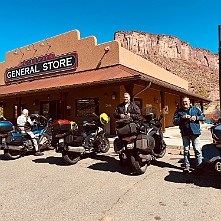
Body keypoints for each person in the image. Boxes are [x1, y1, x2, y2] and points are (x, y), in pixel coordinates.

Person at [173, 96, 205, 174]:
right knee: (186, 150)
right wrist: (182, 118)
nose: (185, 103)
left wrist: (196, 117)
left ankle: (199, 167)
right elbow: (174, 121)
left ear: (189, 102)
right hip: (185, 133)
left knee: (197, 150)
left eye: (186, 101)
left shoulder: (195, 109)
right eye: (183, 102)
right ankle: (187, 166)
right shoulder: (178, 111)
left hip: (195, 132)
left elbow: (203, 117)